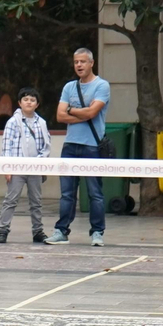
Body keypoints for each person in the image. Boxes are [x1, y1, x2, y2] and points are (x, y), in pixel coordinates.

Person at [47, 47, 111, 247]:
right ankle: (61, 230)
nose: (79, 65)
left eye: (83, 62)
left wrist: (71, 110)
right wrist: (81, 113)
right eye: (76, 62)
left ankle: (97, 232)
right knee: (67, 192)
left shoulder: (102, 86)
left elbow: (92, 113)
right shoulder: (69, 87)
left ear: (92, 63)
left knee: (95, 193)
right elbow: (59, 116)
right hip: (70, 145)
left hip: (92, 146)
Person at [0, 86, 52, 244]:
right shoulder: (12, 122)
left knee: (36, 201)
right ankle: (3, 230)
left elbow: (46, 145)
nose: (29, 102)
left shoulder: (41, 123)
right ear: (19, 103)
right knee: (11, 200)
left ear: (37, 104)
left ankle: (37, 231)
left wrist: (40, 162)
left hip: (35, 168)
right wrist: (7, 168)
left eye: (32, 100)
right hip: (17, 167)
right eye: (26, 99)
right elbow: (6, 146)